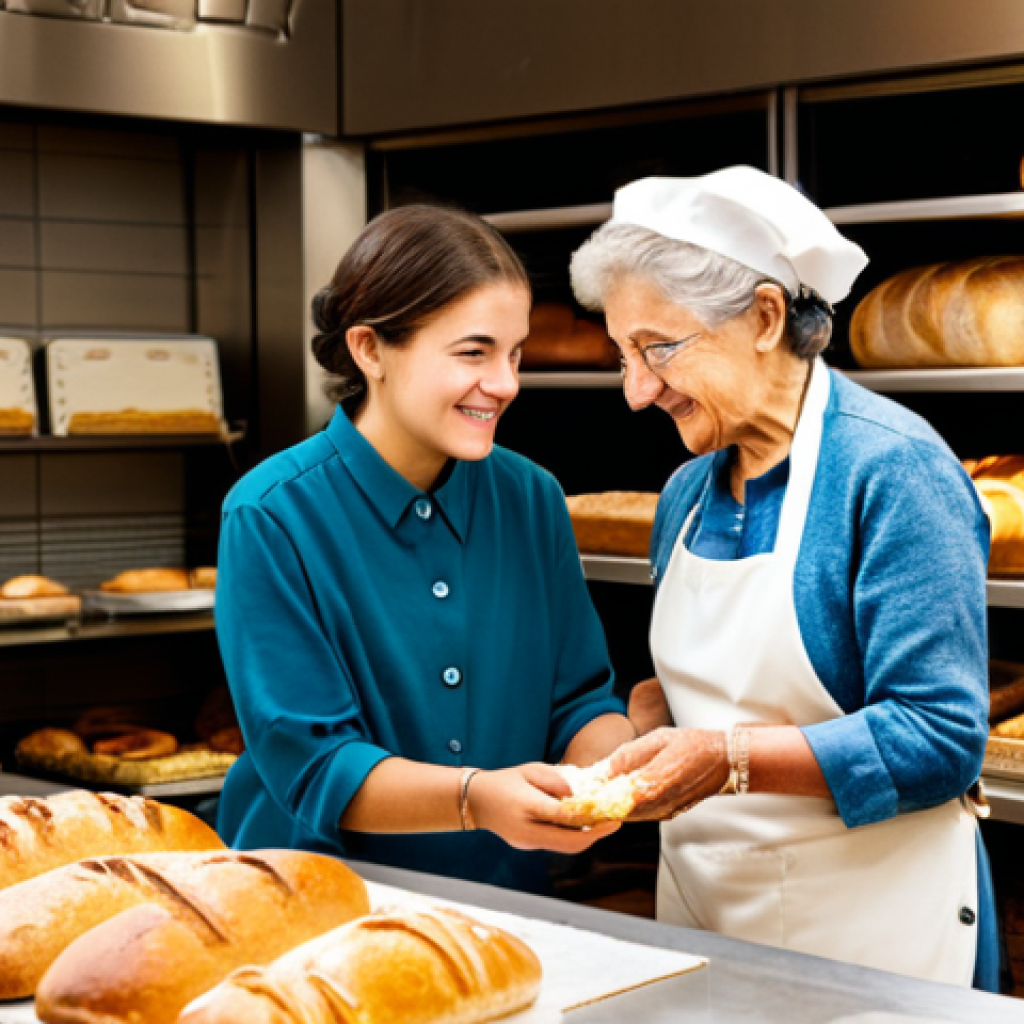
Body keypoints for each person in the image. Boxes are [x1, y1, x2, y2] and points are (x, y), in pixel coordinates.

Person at [567, 167, 997, 988]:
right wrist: (641, 732)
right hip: (704, 913)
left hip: (877, 935)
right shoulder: (690, 492)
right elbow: (715, 690)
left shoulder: (892, 472)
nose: (636, 391)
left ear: (765, 317)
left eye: (659, 348)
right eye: (623, 354)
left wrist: (725, 758)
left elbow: (940, 738)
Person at [216, 204, 631, 894]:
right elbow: (317, 765)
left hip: (508, 903)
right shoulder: (270, 515)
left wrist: (602, 781)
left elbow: (580, 702)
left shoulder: (532, 499)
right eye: (473, 352)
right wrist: (478, 800)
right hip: (309, 903)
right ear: (370, 350)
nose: (504, 384)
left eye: (514, 353)